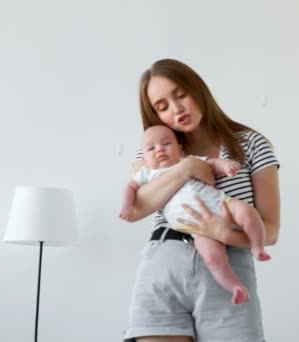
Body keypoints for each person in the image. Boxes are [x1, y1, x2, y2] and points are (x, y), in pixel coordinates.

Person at [122, 58, 280, 342]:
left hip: (227, 268)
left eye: (180, 94)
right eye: (163, 106)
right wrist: (186, 168)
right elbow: (137, 208)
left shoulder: (253, 144)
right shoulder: (156, 151)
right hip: (163, 266)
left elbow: (271, 231)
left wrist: (222, 233)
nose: (176, 109)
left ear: (198, 89)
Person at [120, 125, 271, 305]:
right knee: (212, 258)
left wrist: (226, 166)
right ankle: (235, 287)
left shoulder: (188, 159)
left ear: (179, 148)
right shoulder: (147, 174)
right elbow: (129, 187)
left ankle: (257, 246)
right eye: (151, 148)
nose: (159, 149)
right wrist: (126, 206)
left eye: (166, 143)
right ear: (143, 157)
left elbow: (212, 163)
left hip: (222, 204)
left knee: (248, 212)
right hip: (195, 229)